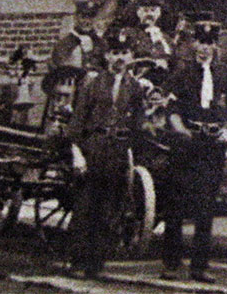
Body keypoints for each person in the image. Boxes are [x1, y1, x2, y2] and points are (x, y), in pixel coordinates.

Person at [161, 17, 227, 283]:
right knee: (176, 205)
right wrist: (180, 130)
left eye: (210, 43)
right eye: (200, 41)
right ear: (193, 43)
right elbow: (171, 109)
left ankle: (199, 266)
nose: (204, 48)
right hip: (186, 144)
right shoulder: (182, 73)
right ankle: (171, 264)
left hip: (212, 147)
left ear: (215, 45)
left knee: (205, 206)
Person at [66, 27, 143, 280]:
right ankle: (78, 261)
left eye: (124, 52)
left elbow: (138, 125)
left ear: (131, 56)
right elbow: (77, 123)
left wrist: (130, 152)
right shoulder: (92, 83)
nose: (119, 58)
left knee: (110, 207)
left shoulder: (135, 88)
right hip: (94, 147)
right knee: (87, 205)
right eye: (114, 53)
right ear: (107, 57)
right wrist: (78, 154)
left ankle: (96, 262)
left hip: (118, 151)